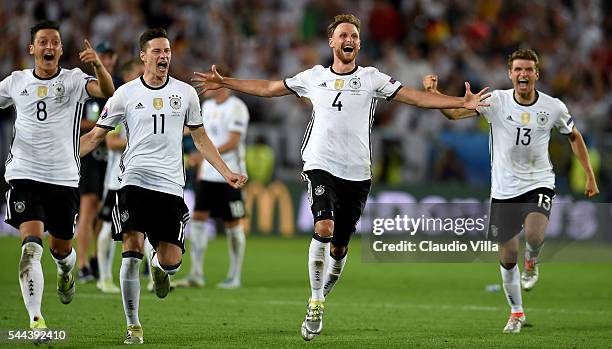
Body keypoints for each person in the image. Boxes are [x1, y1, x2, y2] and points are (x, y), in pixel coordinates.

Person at [192, 13, 490, 341]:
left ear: (359, 44)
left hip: (358, 173)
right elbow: (268, 87)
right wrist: (226, 82)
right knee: (324, 226)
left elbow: (417, 98)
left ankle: (324, 286)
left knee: (339, 249)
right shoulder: (314, 76)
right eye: (343, 35)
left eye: (355, 37)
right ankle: (316, 301)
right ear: (332, 42)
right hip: (320, 163)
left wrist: (460, 101)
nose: (349, 40)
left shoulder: (373, 78)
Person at [80, 28, 246, 344]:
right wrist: (67, 157)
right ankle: (133, 325)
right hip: (133, 182)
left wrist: (226, 171)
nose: (164, 56)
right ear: (143, 56)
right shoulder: (124, 94)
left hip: (170, 185)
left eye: (167, 51)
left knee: (171, 261)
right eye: (157, 51)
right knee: (131, 248)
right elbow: (96, 136)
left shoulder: (185, 94)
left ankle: (159, 268)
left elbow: (200, 138)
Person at [422, 48, 599, 333]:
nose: (523, 74)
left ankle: (532, 261)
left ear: (536, 74)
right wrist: (435, 92)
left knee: (534, 233)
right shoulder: (496, 101)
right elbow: (455, 115)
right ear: (510, 74)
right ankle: (516, 312)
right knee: (507, 256)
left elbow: (574, 137)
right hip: (504, 188)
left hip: (538, 181)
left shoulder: (553, 107)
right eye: (518, 69)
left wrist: (590, 176)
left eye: (528, 69)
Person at [0, 20, 114, 335]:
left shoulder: (75, 80)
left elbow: (107, 92)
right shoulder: (15, 81)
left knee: (61, 249)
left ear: (61, 49)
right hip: (24, 174)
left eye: (55, 42)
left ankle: (66, 272)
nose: (49, 47)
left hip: (63, 178)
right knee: (30, 248)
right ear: (32, 49)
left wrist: (99, 66)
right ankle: (36, 320)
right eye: (43, 42)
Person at [173, 65, 249, 289]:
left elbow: (233, 141)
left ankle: (234, 275)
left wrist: (202, 156)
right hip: (207, 175)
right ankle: (196, 273)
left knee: (232, 223)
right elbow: (195, 131)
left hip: (230, 174)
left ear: (221, 82)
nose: (206, 85)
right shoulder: (206, 106)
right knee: (197, 220)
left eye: (211, 81)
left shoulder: (237, 108)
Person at [96, 58, 145, 294]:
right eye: (139, 72)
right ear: (127, 76)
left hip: (141, 178)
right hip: (117, 178)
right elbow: (110, 141)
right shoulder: (119, 102)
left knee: (144, 228)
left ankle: (151, 275)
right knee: (107, 227)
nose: (144, 75)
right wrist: (138, 141)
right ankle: (104, 277)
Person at [77, 41, 121, 283]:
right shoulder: (89, 89)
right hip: (90, 156)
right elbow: (81, 122)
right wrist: (105, 126)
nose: (108, 60)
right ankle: (82, 263)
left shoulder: (119, 88)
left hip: (110, 159)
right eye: (104, 55)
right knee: (88, 206)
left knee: (103, 212)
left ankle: (95, 258)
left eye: (111, 56)